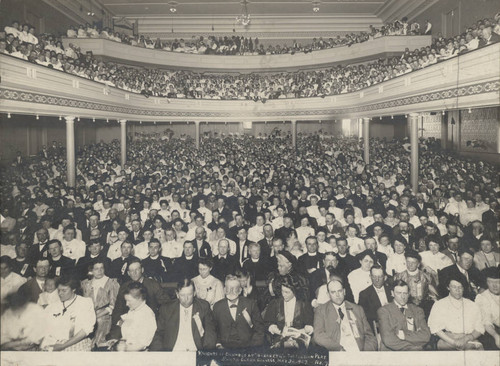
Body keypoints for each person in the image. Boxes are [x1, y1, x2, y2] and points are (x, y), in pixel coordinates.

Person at [150, 278, 216, 351]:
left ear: (194, 293)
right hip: (174, 352)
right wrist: (157, 356)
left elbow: (210, 333)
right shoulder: (167, 309)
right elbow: (159, 334)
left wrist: (205, 355)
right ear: (177, 294)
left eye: (189, 294)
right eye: (182, 295)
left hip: (195, 352)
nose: (186, 298)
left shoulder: (203, 306)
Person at [313, 278, 377, 351]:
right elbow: (318, 335)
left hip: (359, 352)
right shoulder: (321, 311)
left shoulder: (357, 309)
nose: (337, 295)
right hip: (338, 353)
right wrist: (338, 349)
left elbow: (370, 336)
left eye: (340, 291)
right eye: (333, 292)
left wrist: (364, 353)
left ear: (344, 291)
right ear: (328, 294)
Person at [41, 276, 96, 351]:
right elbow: (46, 329)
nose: (60, 293)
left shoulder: (85, 303)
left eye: (64, 290)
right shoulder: (52, 307)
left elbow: (85, 330)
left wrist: (63, 346)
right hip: (55, 345)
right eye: (59, 290)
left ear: (73, 289)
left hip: (77, 344)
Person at [428, 277, 484, 350]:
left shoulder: (472, 305)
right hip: (447, 340)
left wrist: (467, 338)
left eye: (460, 287)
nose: (457, 290)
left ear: (464, 288)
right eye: (454, 287)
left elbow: (479, 328)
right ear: (448, 287)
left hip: (469, 339)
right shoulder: (440, 304)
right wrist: (454, 342)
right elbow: (435, 328)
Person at [212, 274, 265, 349]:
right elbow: (213, 330)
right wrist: (218, 344)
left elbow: (259, 329)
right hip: (224, 348)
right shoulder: (217, 307)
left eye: (235, 288)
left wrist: (253, 347)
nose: (231, 291)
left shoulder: (250, 304)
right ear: (224, 290)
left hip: (247, 348)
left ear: (240, 290)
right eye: (228, 288)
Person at [377, 280, 431, 351]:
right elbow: (388, 340)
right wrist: (412, 347)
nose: (403, 297)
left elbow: (426, 336)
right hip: (392, 353)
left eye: (405, 293)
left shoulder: (417, 310)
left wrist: (404, 335)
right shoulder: (384, 311)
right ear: (392, 293)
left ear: (409, 294)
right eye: (399, 293)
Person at [263, 275, 314, 348]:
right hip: (279, 339)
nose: (284, 295)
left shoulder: (303, 304)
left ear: (294, 291)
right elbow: (267, 323)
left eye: (287, 292)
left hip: (298, 340)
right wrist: (272, 327)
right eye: (282, 291)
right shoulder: (275, 303)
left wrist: (306, 329)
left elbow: (310, 324)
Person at [106, 282, 157, 351]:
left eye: (129, 301)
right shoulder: (132, 310)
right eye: (126, 300)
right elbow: (129, 334)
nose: (127, 304)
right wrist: (117, 341)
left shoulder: (147, 315)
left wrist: (120, 348)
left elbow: (142, 344)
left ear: (139, 299)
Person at [81, 260, 120, 348]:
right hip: (89, 314)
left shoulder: (112, 283)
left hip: (105, 316)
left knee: (99, 326)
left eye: (101, 268)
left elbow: (112, 305)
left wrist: (96, 315)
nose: (99, 271)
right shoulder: (86, 283)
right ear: (92, 271)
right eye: (96, 269)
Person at [358, 265, 393, 331]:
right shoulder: (364, 294)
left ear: (385, 277)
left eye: (380, 277)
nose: (377, 280)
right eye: (374, 277)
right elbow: (364, 317)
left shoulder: (392, 290)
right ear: (370, 277)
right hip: (377, 329)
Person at [475, 266, 500, 350]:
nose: (494, 285)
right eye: (490, 282)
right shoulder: (482, 297)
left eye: (497, 282)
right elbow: (486, 322)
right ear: (486, 282)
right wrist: (496, 337)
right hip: (491, 332)